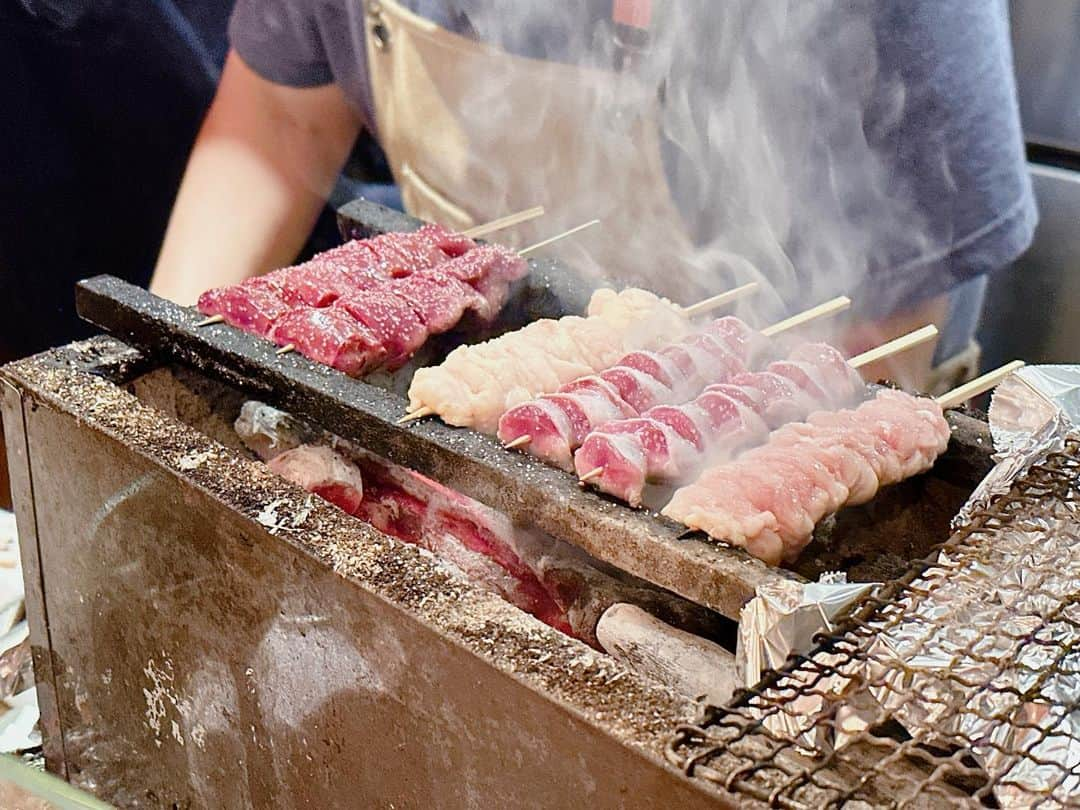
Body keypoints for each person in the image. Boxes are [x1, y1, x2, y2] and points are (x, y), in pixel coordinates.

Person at [148, 0, 1036, 393]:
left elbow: (878, 329)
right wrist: (157, 387)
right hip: (466, 403)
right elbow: (281, 122)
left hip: (764, 403)